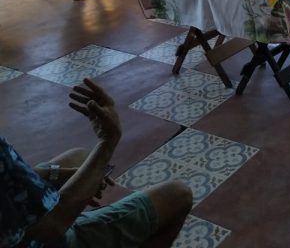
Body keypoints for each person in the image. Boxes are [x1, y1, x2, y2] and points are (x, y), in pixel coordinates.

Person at [0, 78, 192, 248]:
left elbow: (10, 179)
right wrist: (108, 141)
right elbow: (52, 225)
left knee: (80, 156)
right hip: (44, 239)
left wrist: (56, 174)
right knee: (177, 195)